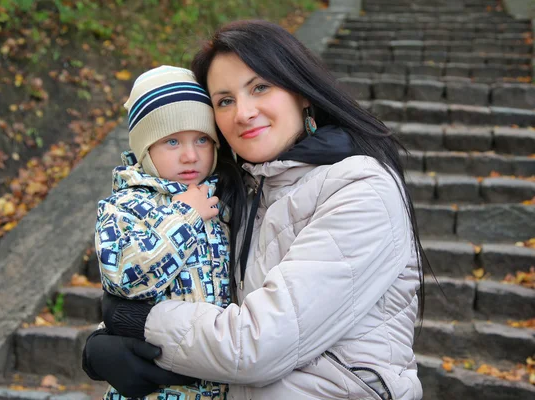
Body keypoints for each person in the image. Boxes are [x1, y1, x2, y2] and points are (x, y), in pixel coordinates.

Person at [84, 20, 430, 400]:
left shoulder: (360, 189)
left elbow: (258, 346)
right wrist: (103, 344)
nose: (243, 113)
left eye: (260, 87)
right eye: (224, 100)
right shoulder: (241, 195)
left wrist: (138, 322)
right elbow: (194, 294)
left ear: (302, 92)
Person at [88, 65, 232, 400]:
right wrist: (184, 215)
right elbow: (126, 277)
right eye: (171, 141)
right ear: (145, 148)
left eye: (202, 139)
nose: (190, 155)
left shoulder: (224, 200)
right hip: (155, 390)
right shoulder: (122, 207)